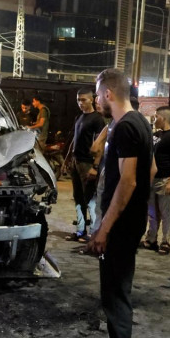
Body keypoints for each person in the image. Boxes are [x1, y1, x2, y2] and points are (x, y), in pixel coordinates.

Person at [80, 69, 152, 338]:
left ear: (108, 93)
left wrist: (103, 229)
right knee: (115, 292)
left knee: (115, 295)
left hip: (120, 227)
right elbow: (148, 170)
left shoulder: (125, 128)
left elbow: (129, 180)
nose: (96, 101)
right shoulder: (139, 123)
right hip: (129, 222)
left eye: (97, 95)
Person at [144, 106, 170, 254]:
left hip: (165, 179)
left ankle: (165, 241)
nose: (154, 119)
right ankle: (151, 239)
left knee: (166, 213)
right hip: (152, 179)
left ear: (163, 118)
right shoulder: (156, 135)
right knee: (152, 212)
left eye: (156, 116)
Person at [67, 88, 105, 241]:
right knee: (78, 198)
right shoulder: (79, 117)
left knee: (90, 198)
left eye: (83, 100)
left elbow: (100, 145)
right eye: (78, 100)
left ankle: (93, 233)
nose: (80, 103)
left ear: (92, 99)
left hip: (88, 163)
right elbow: (74, 140)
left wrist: (95, 166)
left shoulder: (97, 119)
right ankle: (80, 230)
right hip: (76, 161)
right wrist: (67, 160)